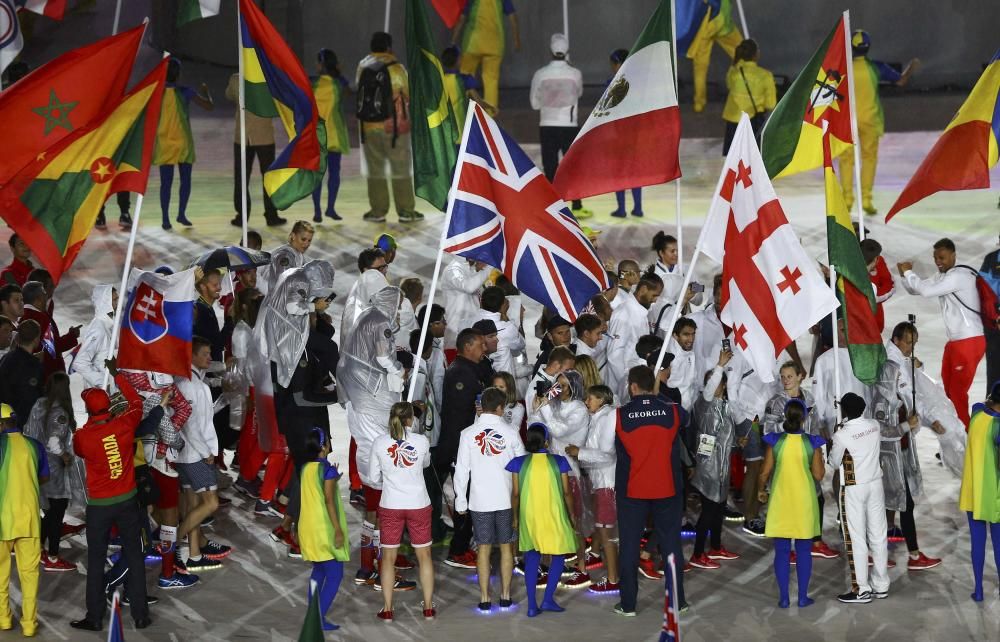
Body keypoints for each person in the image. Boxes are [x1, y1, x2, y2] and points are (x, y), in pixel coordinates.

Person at [70, 365, 161, 632]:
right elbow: (135, 401)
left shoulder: (83, 437)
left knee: (96, 560)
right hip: (128, 502)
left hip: (99, 507)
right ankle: (141, 615)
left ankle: (94, 617)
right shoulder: (125, 423)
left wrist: (91, 424)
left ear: (88, 410)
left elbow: (80, 450)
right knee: (134, 555)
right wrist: (118, 374)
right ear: (109, 407)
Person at [614, 365, 687, 616]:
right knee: (671, 545)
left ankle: (628, 605)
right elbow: (687, 419)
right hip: (667, 489)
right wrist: (658, 396)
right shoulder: (673, 411)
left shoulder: (619, 415)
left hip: (631, 492)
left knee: (630, 548)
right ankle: (678, 602)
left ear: (632, 387)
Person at [898, 238, 985, 425]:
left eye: (942, 257)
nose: (938, 261)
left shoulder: (958, 276)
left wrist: (909, 272)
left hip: (969, 340)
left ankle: (965, 439)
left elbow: (927, 292)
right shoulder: (944, 275)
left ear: (953, 255)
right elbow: (918, 290)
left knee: (957, 392)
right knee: (948, 391)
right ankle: (955, 435)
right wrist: (904, 276)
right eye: (935, 257)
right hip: (956, 342)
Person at [454, 387, 524, 611]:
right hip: (505, 500)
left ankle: (484, 598)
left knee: (483, 549)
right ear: (501, 408)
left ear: (482, 405)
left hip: (479, 501)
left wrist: (460, 503)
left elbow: (461, 471)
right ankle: (504, 596)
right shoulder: (512, 433)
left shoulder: (467, 434)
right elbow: (521, 466)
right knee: (506, 548)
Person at [872, 359, 942, 571]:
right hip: (889, 461)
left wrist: (917, 423)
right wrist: (905, 426)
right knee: (903, 505)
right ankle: (913, 554)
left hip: (902, 456)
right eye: (896, 376)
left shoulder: (899, 397)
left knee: (895, 505)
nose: (900, 379)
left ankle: (882, 553)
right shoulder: (881, 402)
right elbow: (879, 432)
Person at [839, 30, 919, 215]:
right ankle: (866, 199)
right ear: (868, 48)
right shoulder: (877, 67)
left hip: (847, 121)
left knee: (845, 159)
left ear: (851, 47)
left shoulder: (842, 68)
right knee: (869, 159)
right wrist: (912, 66)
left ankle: (846, 199)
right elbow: (901, 81)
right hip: (870, 120)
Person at [369, 402, 436, 621]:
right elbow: (425, 464)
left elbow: (373, 477)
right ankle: (427, 607)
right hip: (418, 504)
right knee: (424, 556)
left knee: (388, 558)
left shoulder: (379, 443)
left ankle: (387, 608)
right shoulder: (422, 441)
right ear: (411, 420)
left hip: (391, 504)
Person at [757, 399, 826, 608]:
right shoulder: (812, 442)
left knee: (782, 551)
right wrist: (819, 455)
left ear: (785, 416)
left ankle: (784, 598)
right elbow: (819, 474)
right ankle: (803, 597)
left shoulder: (775, 440)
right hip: (805, 501)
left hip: (780, 500)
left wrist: (761, 490)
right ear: (804, 418)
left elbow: (764, 472)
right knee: (804, 550)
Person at [174, 337, 231, 573]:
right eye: (206, 353)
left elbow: (203, 416)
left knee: (193, 507)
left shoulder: (193, 382)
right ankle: (173, 545)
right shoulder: (189, 385)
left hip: (189, 453)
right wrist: (207, 453)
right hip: (195, 454)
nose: (210, 358)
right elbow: (190, 425)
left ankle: (195, 555)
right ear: (193, 356)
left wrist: (224, 399)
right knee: (210, 503)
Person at [506, 422, 576, 617]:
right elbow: (567, 493)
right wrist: (572, 514)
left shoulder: (518, 463)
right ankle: (547, 599)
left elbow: (516, 494)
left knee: (531, 558)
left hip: (529, 517)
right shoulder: (559, 461)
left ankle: (531, 606)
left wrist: (514, 517)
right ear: (546, 441)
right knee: (559, 555)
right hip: (554, 515)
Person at [532, 369, 591, 588]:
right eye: (557, 385)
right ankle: (549, 566)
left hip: (568, 472)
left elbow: (559, 431)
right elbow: (536, 425)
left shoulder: (579, 410)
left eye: (564, 386)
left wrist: (545, 407)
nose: (559, 390)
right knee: (549, 522)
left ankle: (582, 567)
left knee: (573, 521)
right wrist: (538, 405)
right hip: (548, 470)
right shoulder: (553, 405)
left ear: (574, 387)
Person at [356, 32, 423, 224]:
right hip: (395, 128)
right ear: (389, 47)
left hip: (369, 126)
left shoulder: (362, 66)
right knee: (400, 169)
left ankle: (377, 212)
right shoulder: (397, 68)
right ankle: (406, 211)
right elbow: (408, 94)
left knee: (375, 170)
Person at [830, 392, 890, 603]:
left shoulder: (842, 434)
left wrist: (835, 436)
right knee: (878, 535)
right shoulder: (874, 424)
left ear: (844, 410)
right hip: (876, 484)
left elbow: (834, 462)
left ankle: (861, 589)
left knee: (856, 538)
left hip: (854, 488)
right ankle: (881, 585)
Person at [688, 350, 743, 570]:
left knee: (719, 508)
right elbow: (708, 443)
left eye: (722, 382)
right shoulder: (703, 404)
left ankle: (716, 547)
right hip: (708, 466)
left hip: (723, 466)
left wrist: (739, 442)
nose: (719, 385)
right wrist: (719, 366)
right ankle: (697, 554)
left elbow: (728, 436)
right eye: (716, 381)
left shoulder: (727, 407)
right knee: (709, 510)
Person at [438, 329, 488, 569]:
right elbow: (460, 419)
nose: (485, 349)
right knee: (465, 498)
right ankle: (457, 550)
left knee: (467, 496)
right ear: (467, 347)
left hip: (462, 447)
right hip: (459, 448)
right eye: (480, 345)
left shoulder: (468, 370)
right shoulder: (461, 374)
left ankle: (461, 545)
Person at [530, 33, 590, 219]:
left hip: (547, 124)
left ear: (550, 51)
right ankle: (577, 203)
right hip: (569, 124)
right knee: (572, 165)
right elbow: (579, 93)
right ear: (567, 51)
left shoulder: (540, 74)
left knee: (550, 165)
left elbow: (534, 103)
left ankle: (552, 205)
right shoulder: (575, 74)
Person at [0, 402, 48, 637]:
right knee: (30, 575)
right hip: (30, 520)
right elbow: (44, 478)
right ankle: (29, 625)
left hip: (1, 523)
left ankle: (4, 620)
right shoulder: (35, 445)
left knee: (0, 575)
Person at [567, 384, 619, 594]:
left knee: (607, 534)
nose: (586, 402)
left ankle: (614, 579)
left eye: (590, 398)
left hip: (608, 484)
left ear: (601, 400)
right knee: (602, 528)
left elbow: (607, 454)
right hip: (601, 484)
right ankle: (596, 555)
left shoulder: (606, 419)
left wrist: (580, 453)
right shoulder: (598, 418)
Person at [23, 373, 76, 572]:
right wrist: (65, 456)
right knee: (56, 514)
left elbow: (29, 431)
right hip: (54, 471)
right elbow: (54, 441)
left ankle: (37, 550)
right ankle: (53, 557)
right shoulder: (60, 413)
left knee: (47, 512)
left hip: (37, 466)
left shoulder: (39, 404)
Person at [298, 428, 350, 630]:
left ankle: (313, 614)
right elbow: (329, 501)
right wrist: (338, 530)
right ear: (323, 446)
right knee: (335, 574)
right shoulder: (327, 470)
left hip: (308, 527)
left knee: (318, 571)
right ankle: (317, 619)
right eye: (327, 441)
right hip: (324, 528)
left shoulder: (306, 468)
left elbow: (315, 492)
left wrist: (333, 479)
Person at [154, 57, 214, 230]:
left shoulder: (157, 92)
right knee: (185, 181)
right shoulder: (186, 91)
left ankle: (165, 219)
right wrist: (206, 91)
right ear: (178, 74)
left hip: (164, 143)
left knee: (166, 183)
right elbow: (209, 106)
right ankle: (181, 214)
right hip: (184, 144)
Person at [225, 73, 284, 228]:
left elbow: (229, 95)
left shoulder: (236, 79)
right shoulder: (269, 79)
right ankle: (271, 215)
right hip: (264, 136)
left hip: (242, 136)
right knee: (268, 179)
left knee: (241, 179)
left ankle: (242, 216)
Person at [960, 381, 1000, 602]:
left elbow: (983, 404)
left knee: (977, 544)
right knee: (999, 544)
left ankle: (979, 590)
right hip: (994, 496)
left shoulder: (976, 411)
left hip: (972, 493)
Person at [452, 0, 520, 109]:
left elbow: (462, 19)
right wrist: (517, 40)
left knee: (465, 75)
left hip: (472, 44)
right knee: (491, 80)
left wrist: (453, 40)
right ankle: (490, 115)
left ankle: (463, 109)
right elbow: (513, 17)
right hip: (494, 44)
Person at [313, 48, 351, 222]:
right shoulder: (340, 83)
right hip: (334, 136)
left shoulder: (312, 83)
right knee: (334, 173)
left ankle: (317, 212)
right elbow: (349, 93)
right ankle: (330, 209)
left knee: (317, 175)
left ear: (321, 64)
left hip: (317, 136)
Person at [686, 0, 743, 113]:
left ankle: (699, 103)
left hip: (705, 27)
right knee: (744, 54)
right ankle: (744, 91)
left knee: (700, 68)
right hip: (722, 23)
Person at [605, 48, 643, 217]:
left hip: (618, 134)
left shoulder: (611, 83)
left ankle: (621, 208)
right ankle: (638, 207)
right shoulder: (638, 82)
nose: (612, 67)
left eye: (613, 64)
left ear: (619, 63)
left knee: (619, 171)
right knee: (634, 171)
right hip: (634, 133)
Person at [19, 279, 80, 382]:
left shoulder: (22, 316)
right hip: (49, 376)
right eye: (44, 294)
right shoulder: (39, 318)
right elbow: (53, 347)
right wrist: (72, 336)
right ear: (38, 299)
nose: (46, 297)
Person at [722, 38, 776, 154]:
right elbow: (770, 104)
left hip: (733, 121)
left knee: (731, 159)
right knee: (753, 158)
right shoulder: (766, 75)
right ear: (756, 55)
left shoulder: (733, 72)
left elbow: (729, 85)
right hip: (754, 121)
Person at [440, 257, 491, 353]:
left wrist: (478, 270)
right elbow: (469, 287)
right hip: (456, 338)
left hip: (472, 333)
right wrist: (488, 268)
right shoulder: (453, 270)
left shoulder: (471, 268)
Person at [472, 285, 525, 378]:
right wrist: (504, 315)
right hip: (503, 381)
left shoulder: (467, 321)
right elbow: (520, 345)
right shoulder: (507, 328)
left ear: (481, 301)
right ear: (503, 306)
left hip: (475, 377)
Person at [441, 45, 495, 135]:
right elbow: (479, 102)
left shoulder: (440, 80)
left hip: (445, 130)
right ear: (458, 61)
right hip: (461, 131)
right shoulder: (464, 80)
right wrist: (491, 107)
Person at [72, 284, 117, 389]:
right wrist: (103, 383)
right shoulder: (98, 330)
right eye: (115, 300)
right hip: (101, 393)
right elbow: (80, 363)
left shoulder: (108, 325)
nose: (118, 303)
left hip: (112, 387)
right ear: (105, 303)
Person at [0, 319, 42, 427]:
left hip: (4, 418)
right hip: (20, 423)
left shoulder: (7, 357)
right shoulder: (33, 364)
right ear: (36, 339)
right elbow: (29, 397)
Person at [981, 233, 1000, 393]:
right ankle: (993, 401)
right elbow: (985, 292)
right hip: (994, 326)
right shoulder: (991, 260)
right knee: (994, 366)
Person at [862, 238, 894, 332]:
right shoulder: (849, 273)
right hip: (857, 328)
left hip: (873, 325)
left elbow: (889, 284)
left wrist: (875, 297)